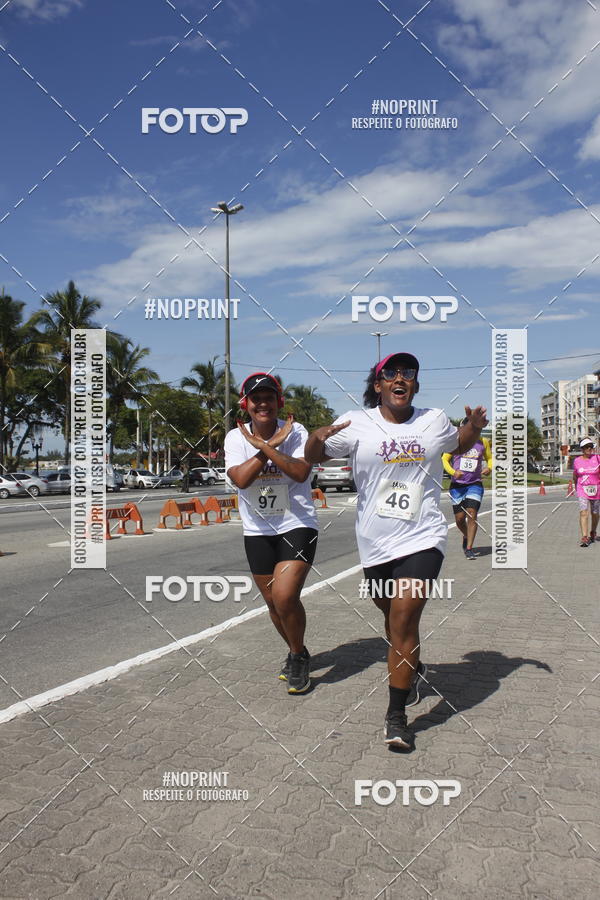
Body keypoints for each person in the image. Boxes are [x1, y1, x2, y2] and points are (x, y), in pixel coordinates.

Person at [305, 352, 488, 750]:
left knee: (404, 619)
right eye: (391, 373)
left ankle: (396, 716)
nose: (400, 378)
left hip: (423, 536)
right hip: (374, 542)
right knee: (391, 619)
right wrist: (316, 439)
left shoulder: (432, 419)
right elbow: (313, 458)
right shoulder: (356, 423)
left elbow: (459, 443)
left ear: (415, 385)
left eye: (408, 373)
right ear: (379, 385)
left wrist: (473, 426)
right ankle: (414, 666)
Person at [224, 372, 318, 693]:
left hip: (297, 523)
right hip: (257, 529)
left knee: (285, 595)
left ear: (279, 403)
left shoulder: (296, 432)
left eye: (269, 398)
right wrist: (267, 448)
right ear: (246, 405)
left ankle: (297, 657)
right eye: (256, 399)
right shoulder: (235, 438)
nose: (263, 403)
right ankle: (299, 651)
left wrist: (269, 445)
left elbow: (301, 470)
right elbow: (241, 479)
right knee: (272, 603)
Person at [442, 418, 492, 559]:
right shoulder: (455, 442)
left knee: (472, 513)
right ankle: (466, 535)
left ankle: (469, 548)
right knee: (459, 519)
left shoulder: (483, 442)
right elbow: (444, 459)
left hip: (474, 484)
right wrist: (453, 472)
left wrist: (489, 467)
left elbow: (489, 458)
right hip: (457, 485)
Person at [572, 437, 600, 547]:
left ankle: (593, 532)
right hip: (582, 489)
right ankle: (584, 537)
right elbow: (575, 475)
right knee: (584, 512)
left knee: (595, 513)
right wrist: (575, 486)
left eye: (591, 447)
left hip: (596, 489)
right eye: (586, 447)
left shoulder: (597, 458)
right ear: (582, 449)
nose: (589, 449)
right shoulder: (577, 461)